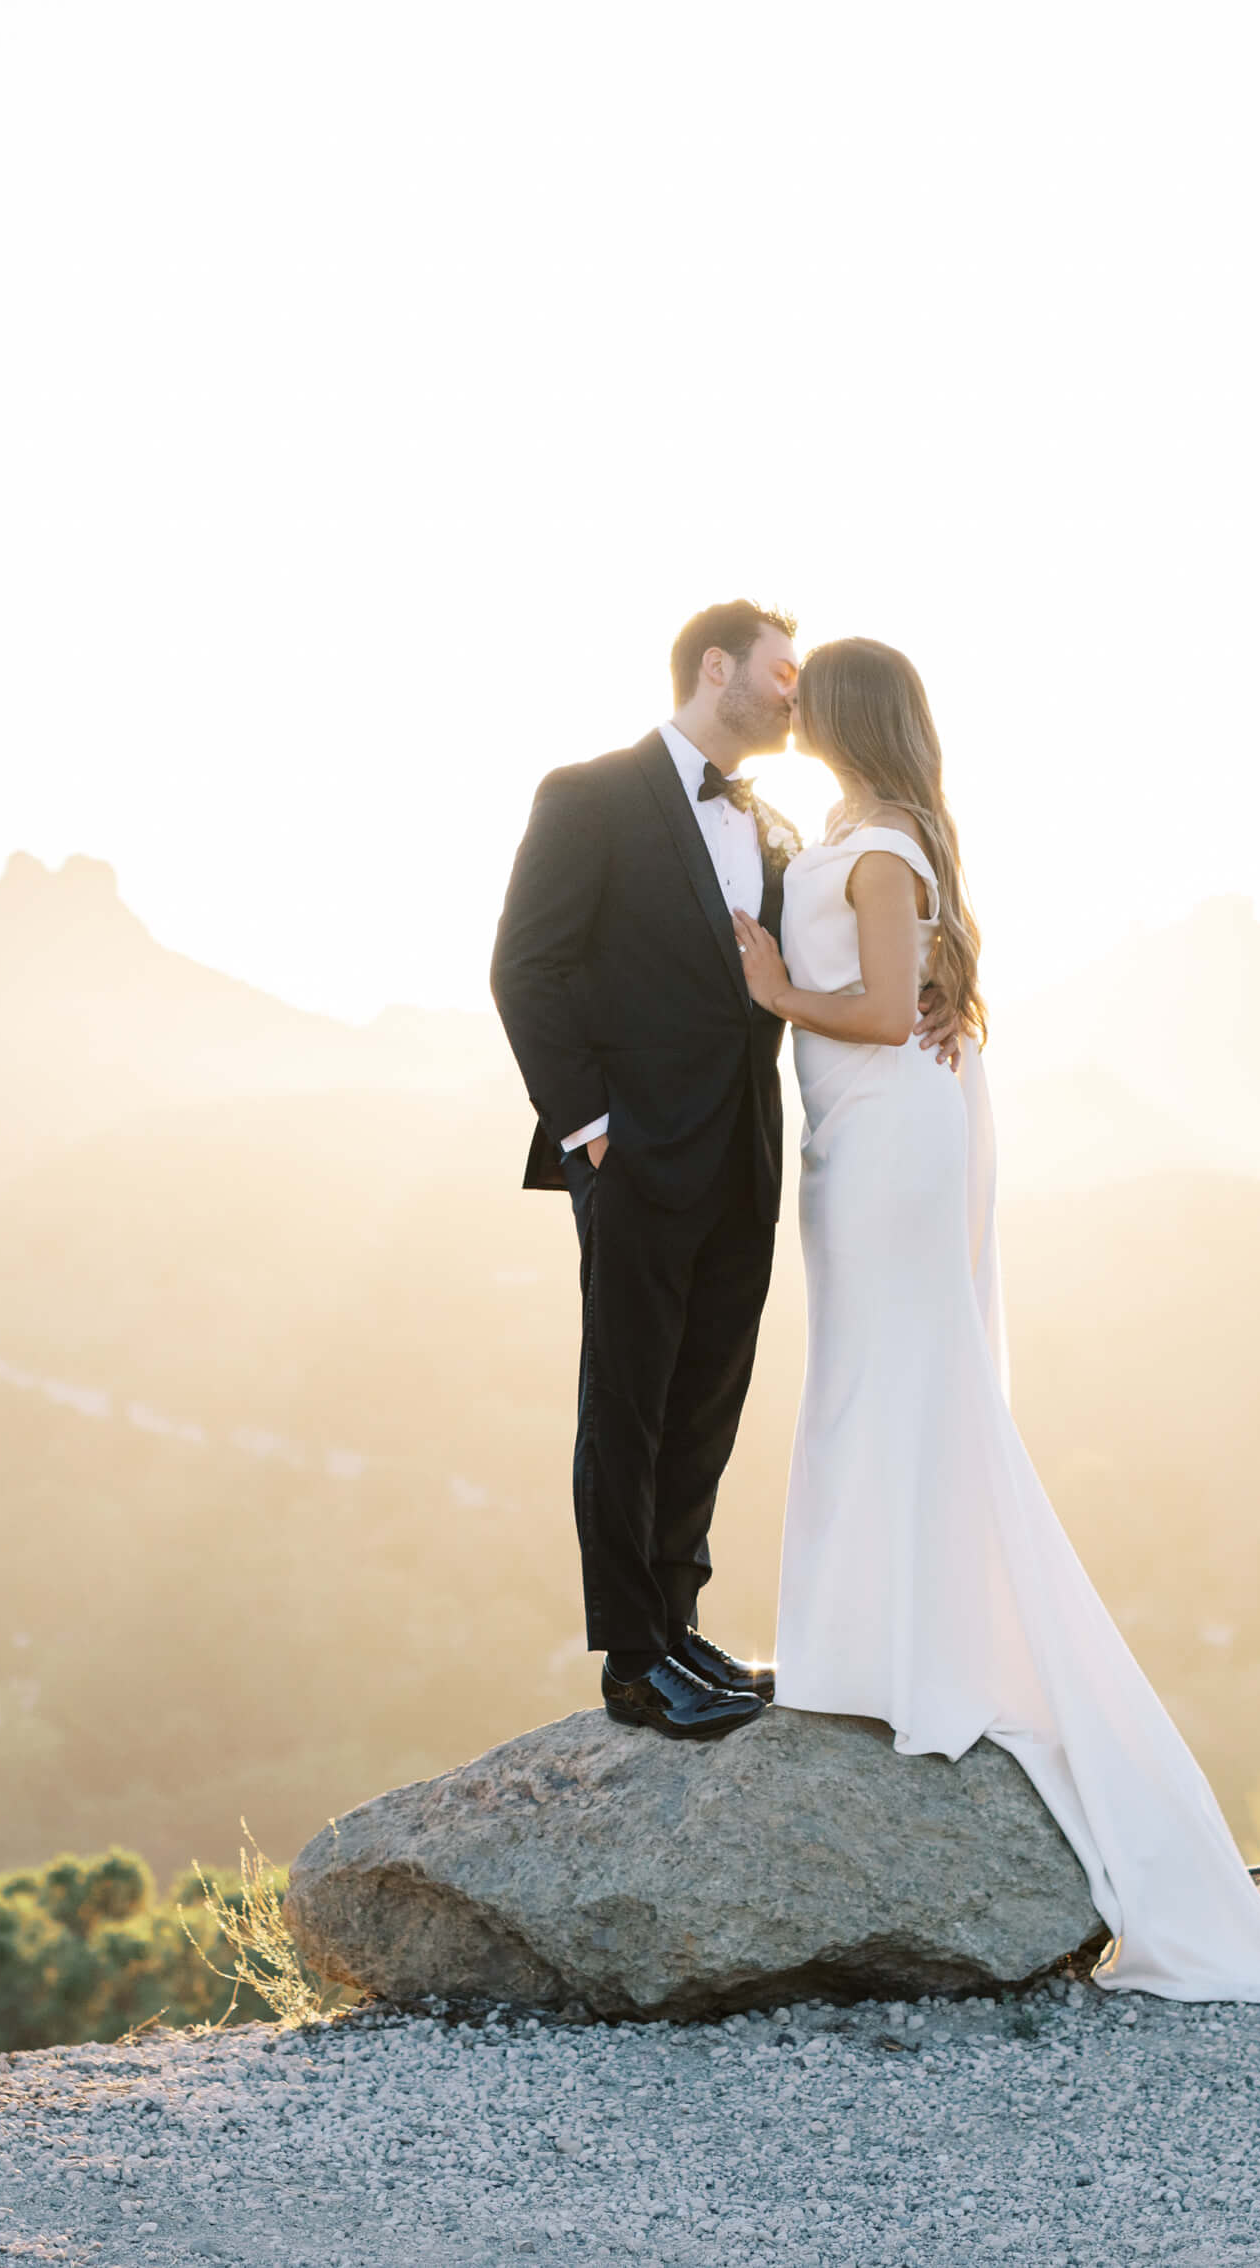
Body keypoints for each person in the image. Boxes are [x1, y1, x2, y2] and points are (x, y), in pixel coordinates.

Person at [731, 636, 1260, 1999]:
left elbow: (881, 1004)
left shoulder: (882, 851)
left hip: (888, 1140)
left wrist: (771, 987)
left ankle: (912, 1657)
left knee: (897, 1383)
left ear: (846, 715)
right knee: (866, 1381)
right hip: (861, 1137)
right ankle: (873, 1637)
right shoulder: (864, 831)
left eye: (813, 693)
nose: (790, 707)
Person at [487, 601, 803, 1740]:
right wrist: (589, 1132)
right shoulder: (589, 796)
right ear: (714, 667)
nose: (791, 694)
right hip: (631, 1151)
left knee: (707, 1390)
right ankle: (631, 1661)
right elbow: (527, 967)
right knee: (626, 1397)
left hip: (742, 1151)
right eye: (780, 673)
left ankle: (679, 1621)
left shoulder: (775, 826)